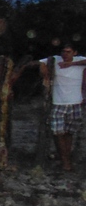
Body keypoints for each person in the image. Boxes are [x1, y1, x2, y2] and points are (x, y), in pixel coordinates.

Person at [40, 43, 86, 172]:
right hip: (58, 102)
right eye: (64, 52)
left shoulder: (79, 61)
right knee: (58, 132)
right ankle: (65, 161)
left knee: (69, 133)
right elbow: (40, 63)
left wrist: (71, 64)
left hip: (75, 102)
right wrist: (45, 76)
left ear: (74, 53)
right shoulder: (55, 60)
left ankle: (66, 159)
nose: (65, 54)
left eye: (68, 52)